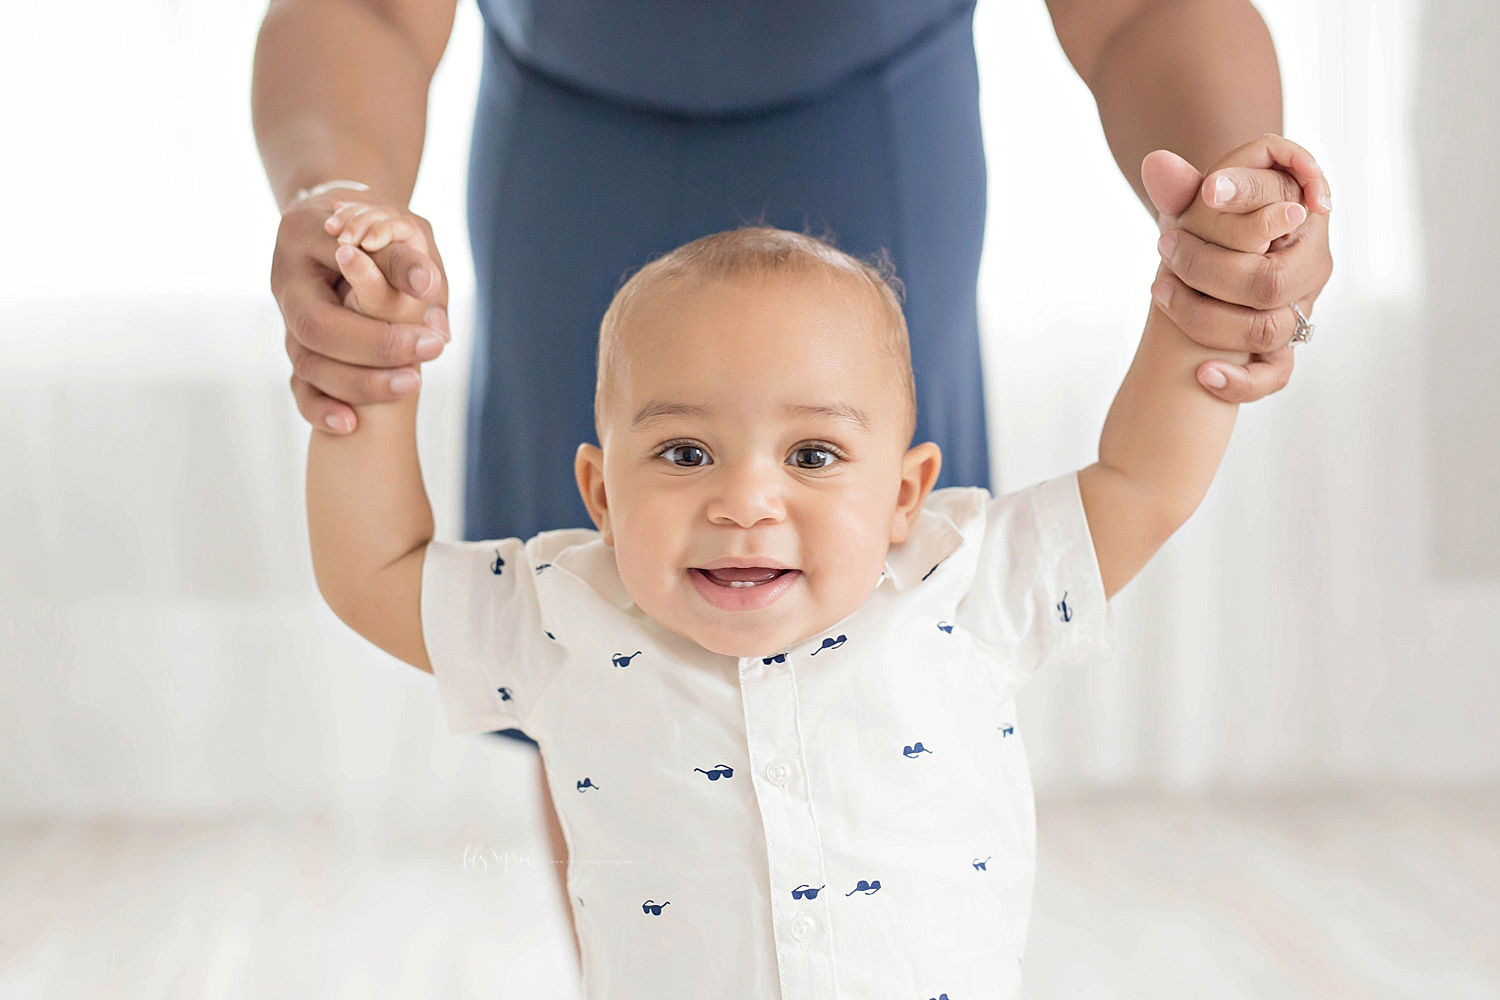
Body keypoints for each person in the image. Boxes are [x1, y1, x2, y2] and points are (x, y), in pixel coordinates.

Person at [304, 126, 1303, 992]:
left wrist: (1198, 311)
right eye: (685, 453)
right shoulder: (565, 611)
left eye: (814, 455)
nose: (744, 501)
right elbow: (375, 571)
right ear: (601, 494)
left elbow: (1140, 483)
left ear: (905, 494)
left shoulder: (963, 579)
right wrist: (373, 384)